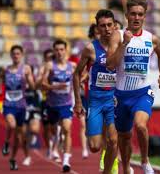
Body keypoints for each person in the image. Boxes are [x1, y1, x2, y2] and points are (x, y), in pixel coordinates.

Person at [106, 0, 160, 174]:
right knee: (124, 137)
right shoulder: (117, 36)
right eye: (133, 14)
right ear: (126, 15)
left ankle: (145, 161)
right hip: (121, 95)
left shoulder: (151, 39)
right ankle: (126, 167)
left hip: (142, 93)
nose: (136, 17)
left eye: (140, 14)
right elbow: (110, 64)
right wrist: (124, 43)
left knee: (140, 125)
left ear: (144, 16)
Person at [73, 9, 118, 174]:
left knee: (113, 140)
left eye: (109, 25)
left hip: (114, 101)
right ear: (97, 28)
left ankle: (108, 171)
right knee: (94, 146)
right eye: (102, 26)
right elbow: (77, 74)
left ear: (114, 26)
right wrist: (78, 102)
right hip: (96, 101)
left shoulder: (121, 46)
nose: (106, 29)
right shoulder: (90, 49)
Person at [41, 39, 75, 172]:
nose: (60, 52)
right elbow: (43, 85)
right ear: (54, 51)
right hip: (52, 105)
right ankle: (55, 140)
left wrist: (79, 83)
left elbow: (81, 76)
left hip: (66, 104)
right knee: (54, 130)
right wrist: (55, 86)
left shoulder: (72, 66)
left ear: (66, 50)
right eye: (57, 50)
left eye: (62, 49)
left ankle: (66, 161)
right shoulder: (50, 66)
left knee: (67, 129)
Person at [0, 45, 35, 170]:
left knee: (19, 137)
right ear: (11, 55)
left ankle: (13, 159)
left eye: (18, 53)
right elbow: (0, 77)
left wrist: (28, 79)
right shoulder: (6, 69)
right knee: (12, 125)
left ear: (22, 55)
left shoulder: (26, 69)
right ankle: (6, 143)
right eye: (14, 53)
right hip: (8, 104)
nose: (16, 56)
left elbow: (32, 85)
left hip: (21, 105)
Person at [35, 48, 62, 162]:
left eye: (52, 57)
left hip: (57, 100)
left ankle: (55, 148)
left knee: (57, 126)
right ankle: (49, 147)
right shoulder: (41, 69)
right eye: (48, 57)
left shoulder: (57, 68)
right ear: (45, 58)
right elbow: (36, 85)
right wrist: (42, 79)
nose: (50, 59)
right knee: (46, 128)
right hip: (45, 101)